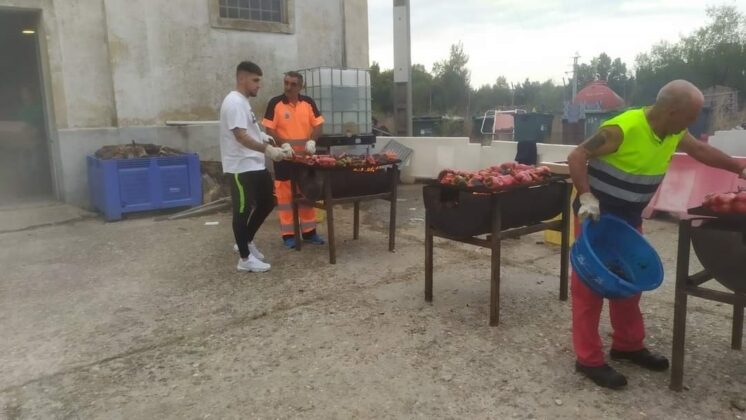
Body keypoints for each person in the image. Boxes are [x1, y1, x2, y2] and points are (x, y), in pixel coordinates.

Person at [567, 79, 746, 390]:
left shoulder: (673, 131)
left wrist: (739, 169)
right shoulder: (622, 129)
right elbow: (577, 156)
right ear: (673, 111)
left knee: (629, 282)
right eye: (690, 116)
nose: (693, 123)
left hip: (628, 219)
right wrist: (586, 196)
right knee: (590, 287)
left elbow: (701, 150)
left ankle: (627, 345)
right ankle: (588, 359)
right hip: (596, 216)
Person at [219, 61, 291, 272]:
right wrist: (266, 150)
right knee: (241, 211)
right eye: (255, 80)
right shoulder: (233, 102)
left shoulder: (243, 102)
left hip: (254, 164)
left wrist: (266, 138)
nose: (259, 85)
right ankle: (244, 258)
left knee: (268, 201)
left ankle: (247, 240)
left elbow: (248, 130)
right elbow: (240, 136)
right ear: (242, 78)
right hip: (241, 166)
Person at [262, 71, 325, 248]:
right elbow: (270, 130)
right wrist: (283, 144)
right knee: (285, 197)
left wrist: (313, 140)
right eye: (286, 83)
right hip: (284, 158)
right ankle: (288, 235)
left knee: (307, 195)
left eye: (293, 84)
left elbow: (318, 124)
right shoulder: (275, 103)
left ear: (301, 86)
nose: (288, 87)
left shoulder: (308, 103)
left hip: (305, 160)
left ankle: (309, 232)